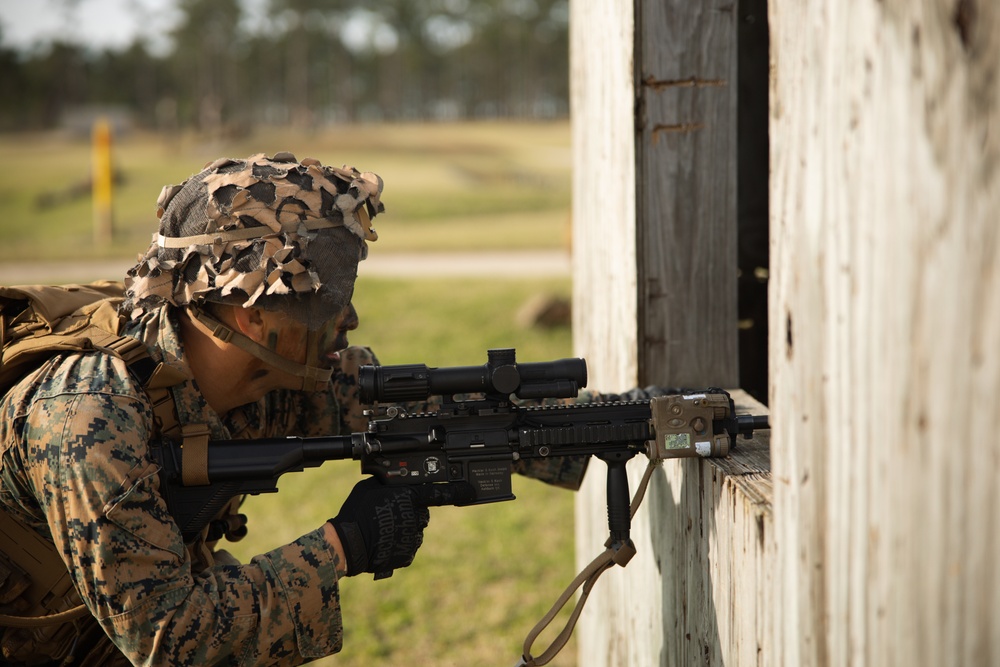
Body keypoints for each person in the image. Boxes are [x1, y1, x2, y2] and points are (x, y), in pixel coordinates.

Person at [0, 152, 591, 665]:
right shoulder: (85, 416)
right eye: (331, 296)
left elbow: (433, 411)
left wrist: (610, 428)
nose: (350, 318)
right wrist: (342, 546)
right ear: (252, 311)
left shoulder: (267, 370)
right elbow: (171, 641)